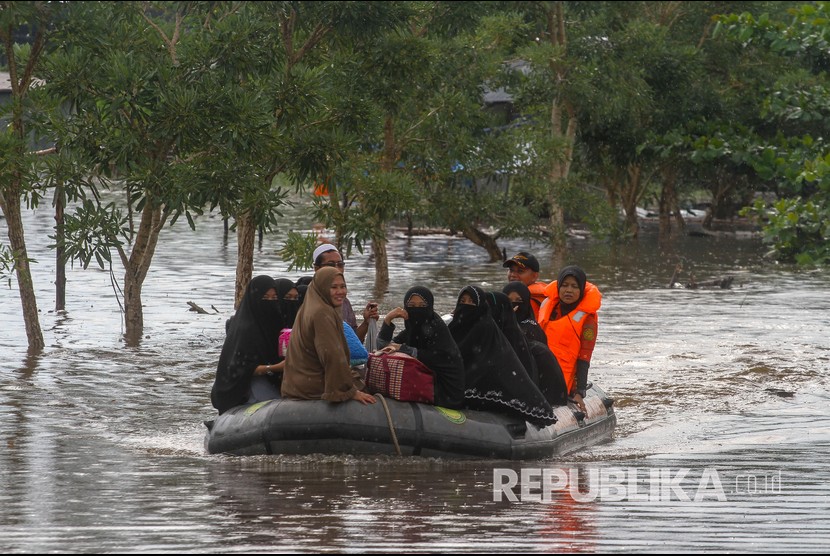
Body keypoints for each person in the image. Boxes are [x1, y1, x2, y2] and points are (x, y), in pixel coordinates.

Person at [448, 285, 556, 427]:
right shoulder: (453, 331)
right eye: (463, 301)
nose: (466, 307)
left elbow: (516, 380)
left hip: (487, 400)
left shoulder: (498, 341)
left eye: (471, 302)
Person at [281, 266, 376, 404]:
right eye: (334, 287)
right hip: (313, 385)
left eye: (343, 286)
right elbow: (331, 354)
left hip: (296, 384)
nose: (340, 292)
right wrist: (349, 391)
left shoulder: (309, 306)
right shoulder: (322, 313)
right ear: (323, 288)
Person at [377, 286, 465, 408]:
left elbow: (436, 357)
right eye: (411, 306)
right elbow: (383, 347)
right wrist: (388, 319)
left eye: (422, 306)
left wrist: (403, 349)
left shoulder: (437, 328)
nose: (416, 310)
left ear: (429, 307)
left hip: (446, 394)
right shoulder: (411, 330)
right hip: (424, 385)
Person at [211, 275, 285, 414]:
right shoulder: (246, 330)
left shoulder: (275, 326)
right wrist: (275, 368)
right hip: (244, 385)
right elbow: (240, 368)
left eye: (274, 298)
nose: (270, 302)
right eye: (265, 298)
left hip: (271, 378)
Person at [537, 266, 601, 413]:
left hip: (564, 381)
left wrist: (579, 392)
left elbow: (584, 357)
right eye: (564, 285)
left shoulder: (587, 320)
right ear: (558, 287)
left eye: (574, 286)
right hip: (540, 372)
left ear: (581, 291)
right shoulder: (549, 308)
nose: (569, 290)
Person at [503, 282, 569, 407]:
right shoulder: (496, 328)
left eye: (518, 300)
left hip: (532, 386)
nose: (514, 305)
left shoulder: (532, 330)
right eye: (509, 301)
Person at [312, 244, 379, 342]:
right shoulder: (309, 299)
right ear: (317, 269)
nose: (336, 269)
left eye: (340, 264)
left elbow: (354, 342)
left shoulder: (343, 301)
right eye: (330, 265)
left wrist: (366, 322)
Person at [503, 251, 548, 318]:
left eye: (520, 271)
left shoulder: (531, 301)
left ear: (534, 276)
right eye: (511, 270)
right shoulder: (544, 296)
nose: (513, 275)